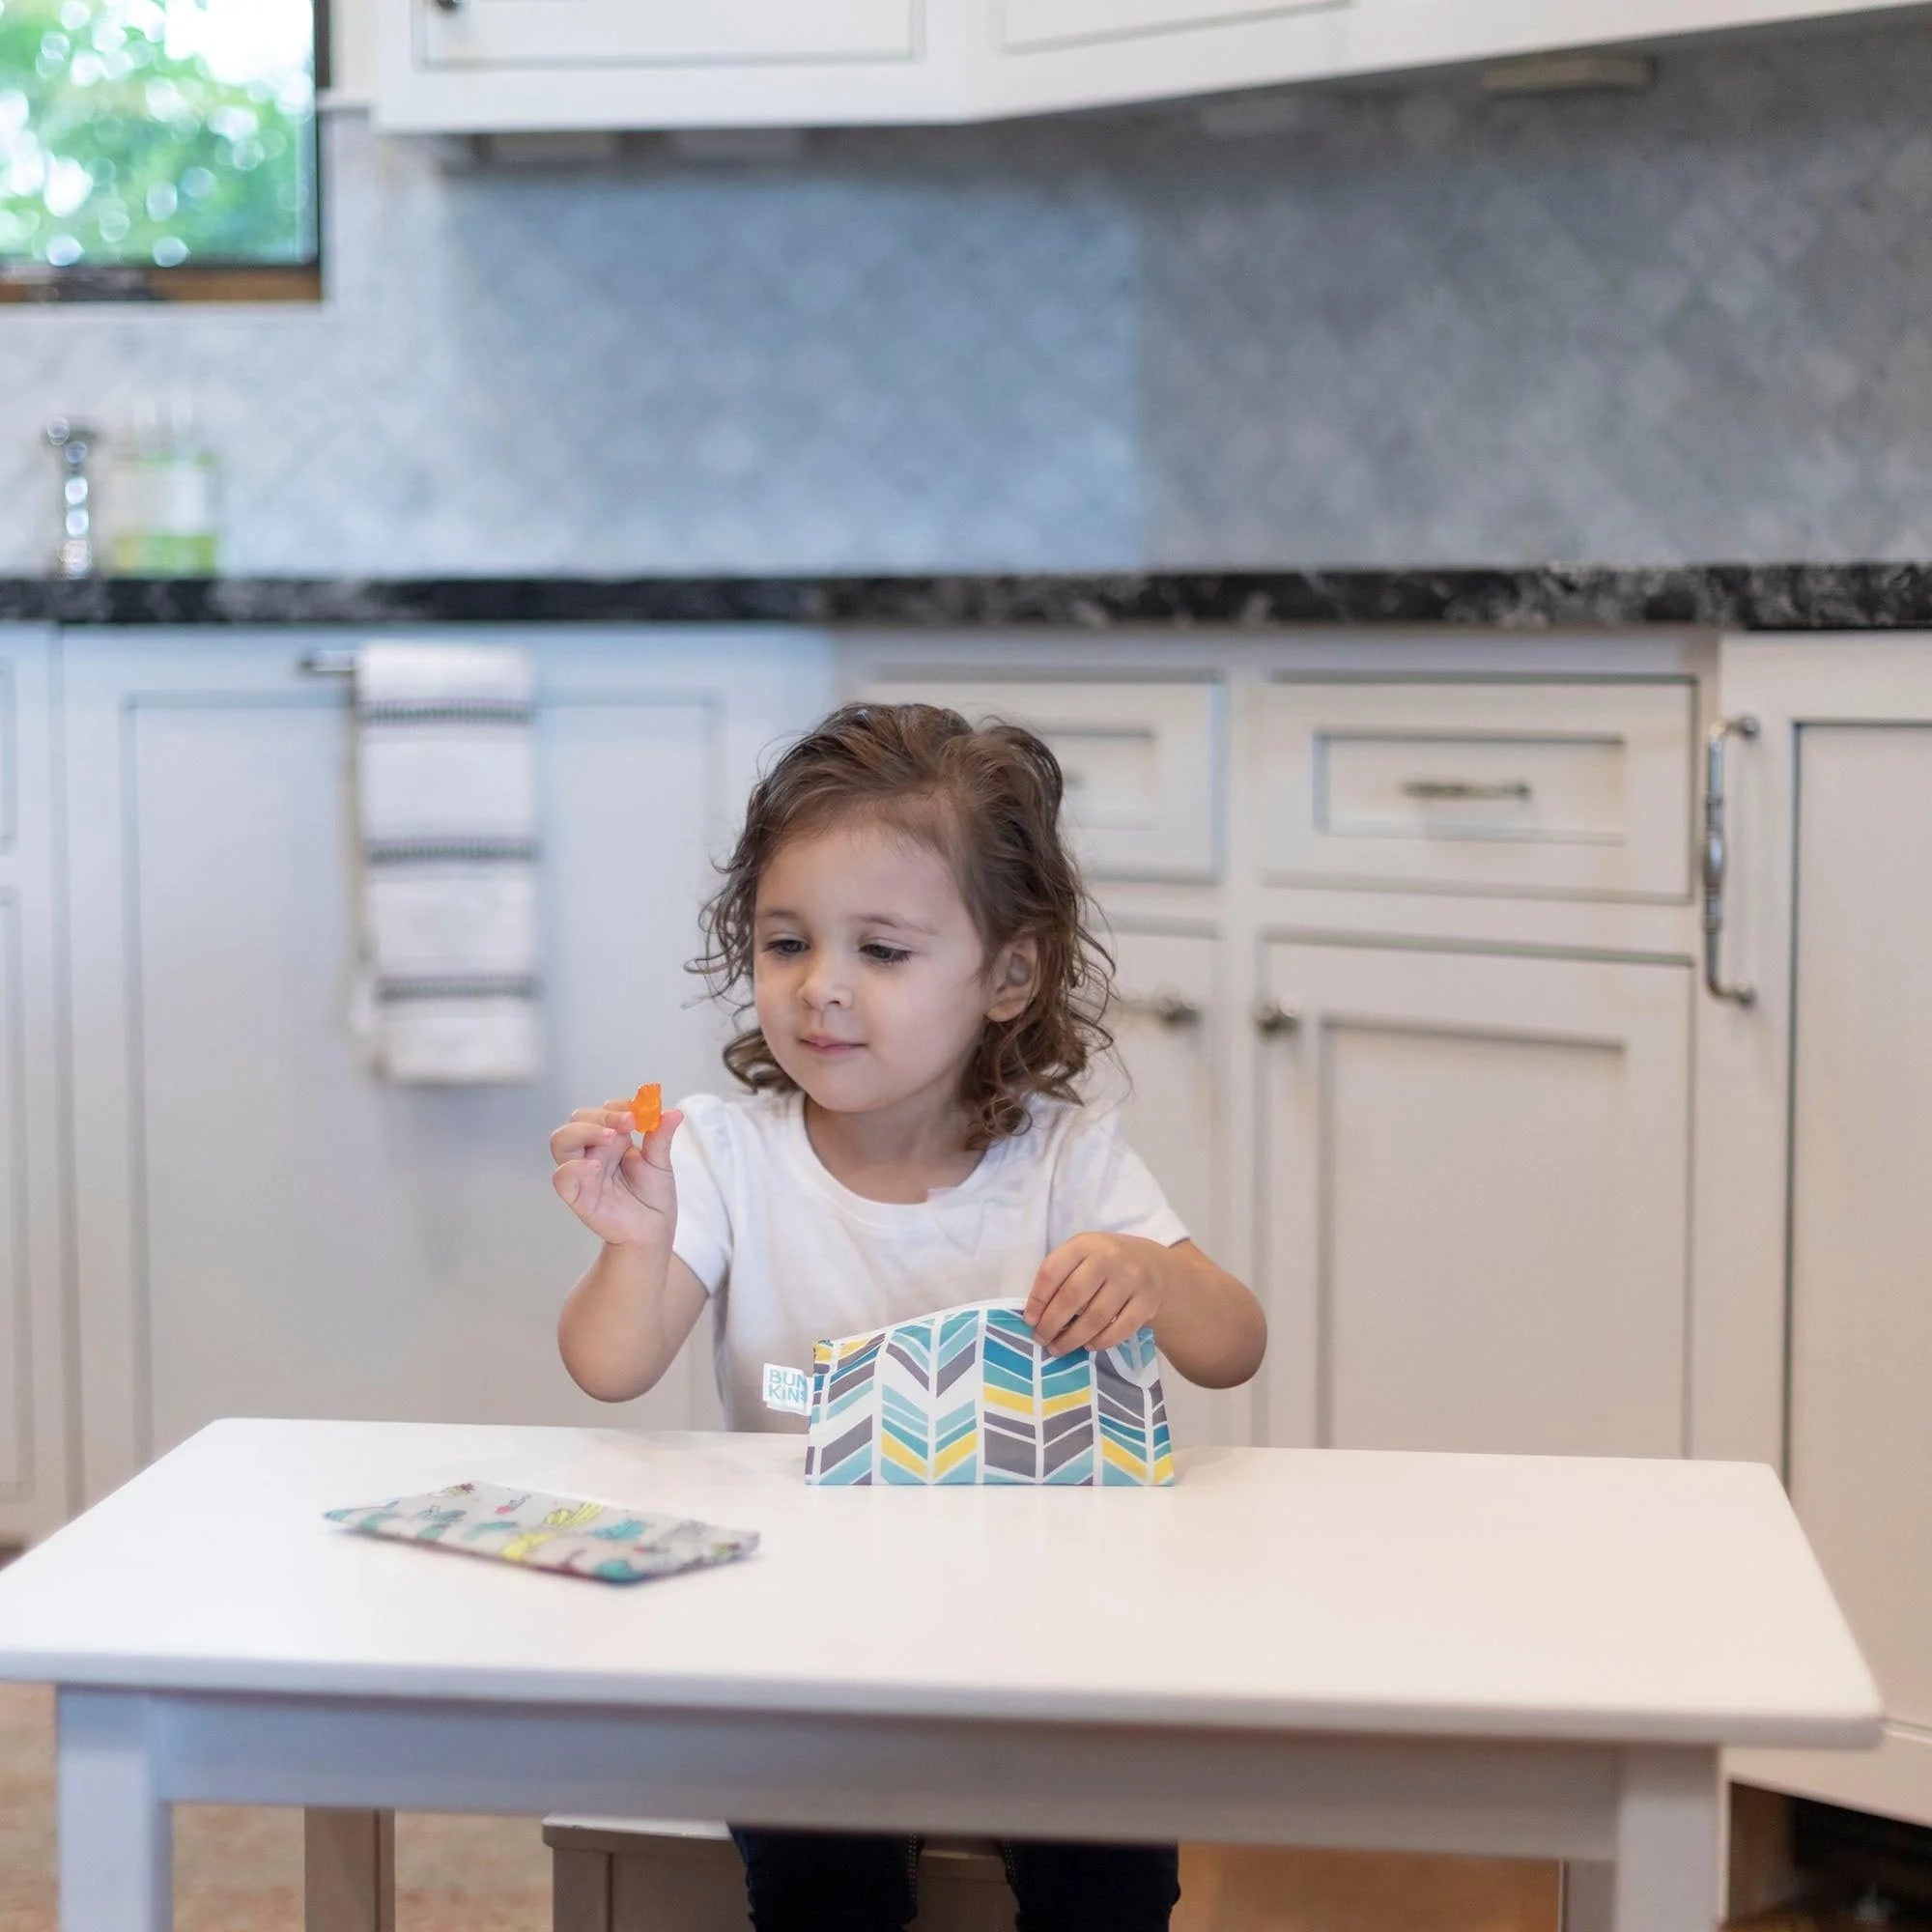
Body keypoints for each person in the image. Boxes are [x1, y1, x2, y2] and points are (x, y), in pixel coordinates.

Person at [550, 700, 1266, 1932]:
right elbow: (609, 1368)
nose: (820, 987)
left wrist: (1151, 1277)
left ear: (1008, 973)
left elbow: (1232, 1340)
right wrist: (635, 1239)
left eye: (880, 951)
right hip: (803, 1640)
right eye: (785, 942)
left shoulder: (1066, 1162)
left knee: (1108, 1878)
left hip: (1048, 1635)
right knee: (821, 1884)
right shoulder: (726, 1154)